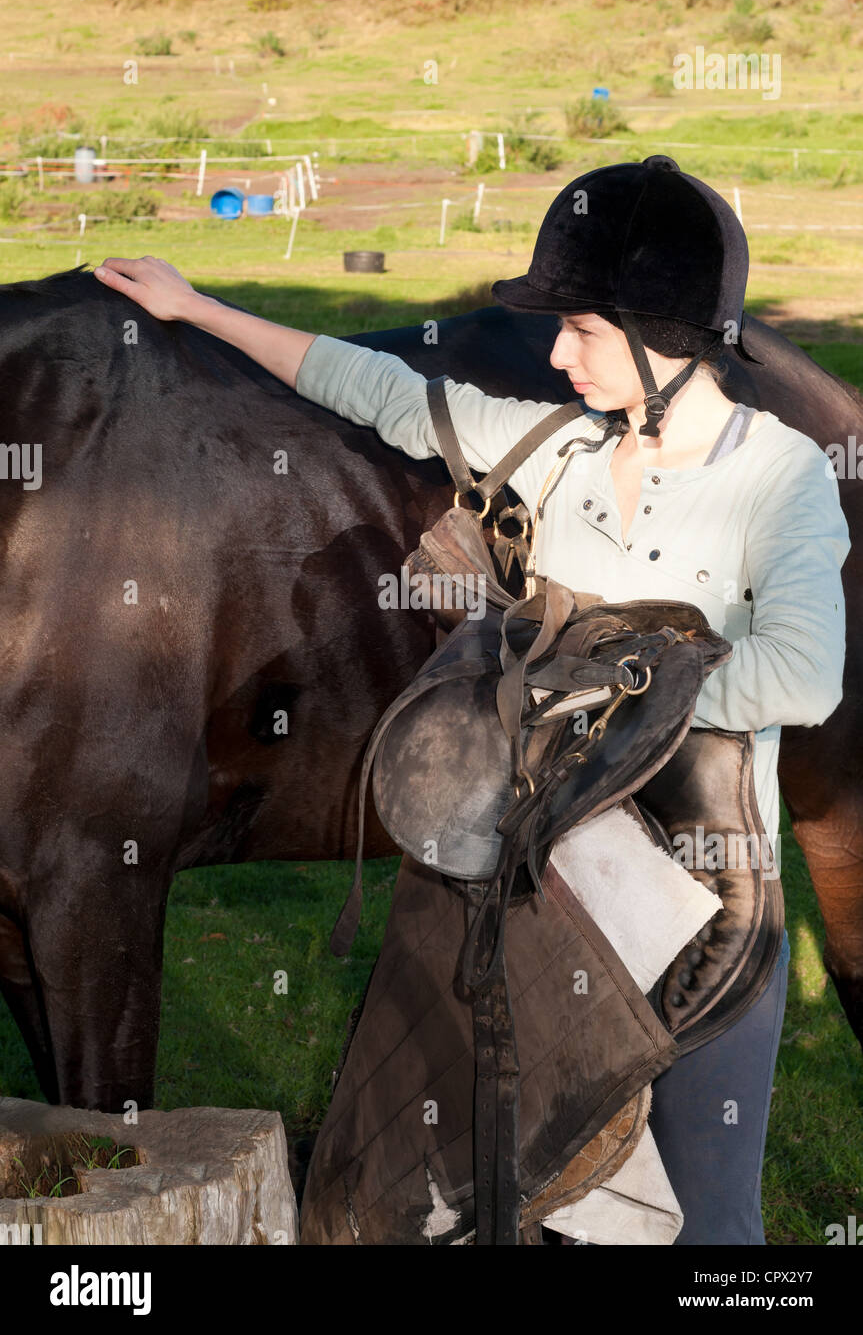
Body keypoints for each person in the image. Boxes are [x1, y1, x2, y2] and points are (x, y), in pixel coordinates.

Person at [93, 154, 850, 1244]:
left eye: (581, 330)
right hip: (543, 902)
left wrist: (584, 687)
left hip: (703, 913)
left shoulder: (777, 476)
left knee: (709, 1232)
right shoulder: (562, 453)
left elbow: (800, 673)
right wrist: (196, 306)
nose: (554, 354)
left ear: (661, 334)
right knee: (532, 1207)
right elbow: (388, 392)